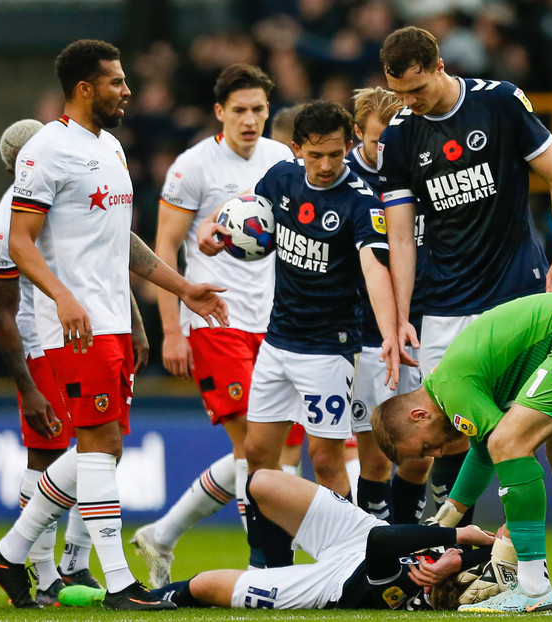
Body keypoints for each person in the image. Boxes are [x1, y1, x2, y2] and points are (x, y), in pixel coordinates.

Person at [0, 39, 229, 611]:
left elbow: (125, 243)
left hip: (114, 319)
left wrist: (183, 287)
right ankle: (118, 584)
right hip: (73, 325)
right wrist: (63, 297)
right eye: (116, 81)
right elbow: (20, 240)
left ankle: (9, 555)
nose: (127, 90)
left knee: (107, 446)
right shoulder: (47, 150)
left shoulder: (111, 147)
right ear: (86, 88)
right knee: (95, 447)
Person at [376, 26, 552, 517]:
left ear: (440, 66)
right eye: (400, 94)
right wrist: (403, 316)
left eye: (417, 90)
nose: (411, 102)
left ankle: (522, 561)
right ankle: (446, 551)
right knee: (444, 436)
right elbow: (400, 237)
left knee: (519, 431)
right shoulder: (400, 135)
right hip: (445, 304)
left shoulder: (502, 102)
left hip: (514, 291)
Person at [196, 99, 406, 569]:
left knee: (326, 460)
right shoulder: (282, 179)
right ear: (298, 150)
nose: (327, 165)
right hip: (277, 342)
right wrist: (212, 228)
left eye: (335, 153)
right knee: (257, 454)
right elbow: (242, 210)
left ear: (348, 145)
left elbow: (375, 270)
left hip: (328, 350)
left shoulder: (359, 202)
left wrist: (390, 332)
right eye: (316, 155)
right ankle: (267, 561)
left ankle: (351, 561)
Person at [372, 292, 552, 613]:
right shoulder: (455, 381)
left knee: (510, 443)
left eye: (427, 447)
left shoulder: (451, 386)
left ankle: (533, 587)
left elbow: (503, 446)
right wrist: (447, 516)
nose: (438, 452)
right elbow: (484, 449)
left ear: (418, 416)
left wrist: (507, 539)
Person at [130, 63, 293, 588]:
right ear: (220, 112)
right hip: (215, 321)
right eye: (240, 110)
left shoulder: (282, 159)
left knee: (280, 451)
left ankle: (162, 533)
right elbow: (163, 248)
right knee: (254, 450)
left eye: (259, 110)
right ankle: (266, 565)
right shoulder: (191, 167)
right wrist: (172, 329)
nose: (250, 120)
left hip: (277, 322)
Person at [0, 118, 104, 605]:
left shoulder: (69, 197)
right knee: (49, 454)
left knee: (98, 443)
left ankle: (70, 563)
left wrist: (134, 323)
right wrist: (29, 388)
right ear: (21, 162)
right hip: (41, 351)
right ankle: (41, 571)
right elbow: (3, 312)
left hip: (84, 338)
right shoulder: (4, 223)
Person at [138, 469, 503, 611]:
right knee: (262, 482)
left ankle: (145, 599)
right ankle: (271, 566)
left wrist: (456, 536)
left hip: (335, 584)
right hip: (356, 535)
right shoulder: (478, 573)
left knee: (204, 586)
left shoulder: (405, 593)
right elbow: (505, 542)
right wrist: (462, 557)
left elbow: (381, 542)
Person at [345, 86, 431, 525]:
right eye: (378, 139)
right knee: (376, 454)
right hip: (365, 332)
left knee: (421, 450)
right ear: (358, 133)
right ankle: (374, 545)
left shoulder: (420, 166)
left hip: (423, 323)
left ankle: (409, 538)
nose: (387, 147)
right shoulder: (342, 179)